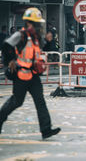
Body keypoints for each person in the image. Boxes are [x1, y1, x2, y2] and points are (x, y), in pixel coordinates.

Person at [0, 8, 61, 139]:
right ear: (29, 23)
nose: (39, 26)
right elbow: (6, 46)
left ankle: (46, 130)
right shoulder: (20, 35)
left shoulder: (37, 38)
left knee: (40, 101)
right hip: (21, 74)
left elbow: (40, 50)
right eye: (37, 23)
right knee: (16, 101)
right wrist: (10, 61)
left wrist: (49, 41)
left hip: (33, 75)